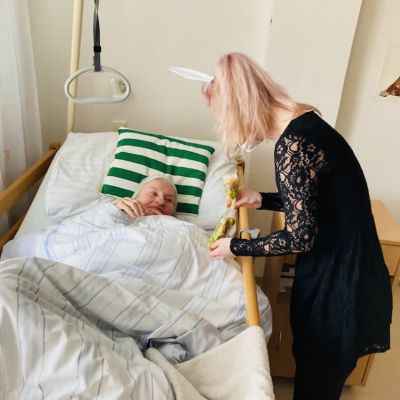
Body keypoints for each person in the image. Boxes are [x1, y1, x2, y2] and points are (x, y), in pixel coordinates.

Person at [205, 52, 392, 400]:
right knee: (321, 372)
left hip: (339, 278)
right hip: (352, 261)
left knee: (318, 378)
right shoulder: (304, 121)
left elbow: (299, 237)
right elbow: (311, 200)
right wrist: (260, 198)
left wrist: (236, 247)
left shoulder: (292, 146)